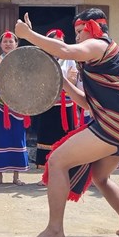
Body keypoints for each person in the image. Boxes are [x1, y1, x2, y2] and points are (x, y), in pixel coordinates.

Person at [14, 9, 119, 237]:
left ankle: (54, 230)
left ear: (92, 28)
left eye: (80, 31)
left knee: (57, 161)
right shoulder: (98, 59)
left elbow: (65, 50)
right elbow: (86, 102)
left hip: (115, 125)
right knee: (100, 177)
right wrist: (62, 79)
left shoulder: (99, 45)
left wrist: (29, 35)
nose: (77, 37)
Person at [0, 30, 30, 186]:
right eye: (5, 41)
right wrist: (0, 69)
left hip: (17, 104)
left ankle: (16, 176)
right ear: (0, 44)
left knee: (17, 138)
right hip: (0, 103)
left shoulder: (23, 60)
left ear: (17, 44)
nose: (8, 44)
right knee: (0, 138)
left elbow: (26, 82)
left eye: (11, 41)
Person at [35, 28, 79, 177]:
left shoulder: (69, 58)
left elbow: (73, 80)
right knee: (47, 137)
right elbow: (42, 82)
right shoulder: (42, 59)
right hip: (48, 104)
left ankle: (65, 173)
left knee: (65, 138)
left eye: (61, 42)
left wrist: (62, 81)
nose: (59, 45)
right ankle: (46, 174)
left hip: (65, 106)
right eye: (55, 42)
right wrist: (63, 80)